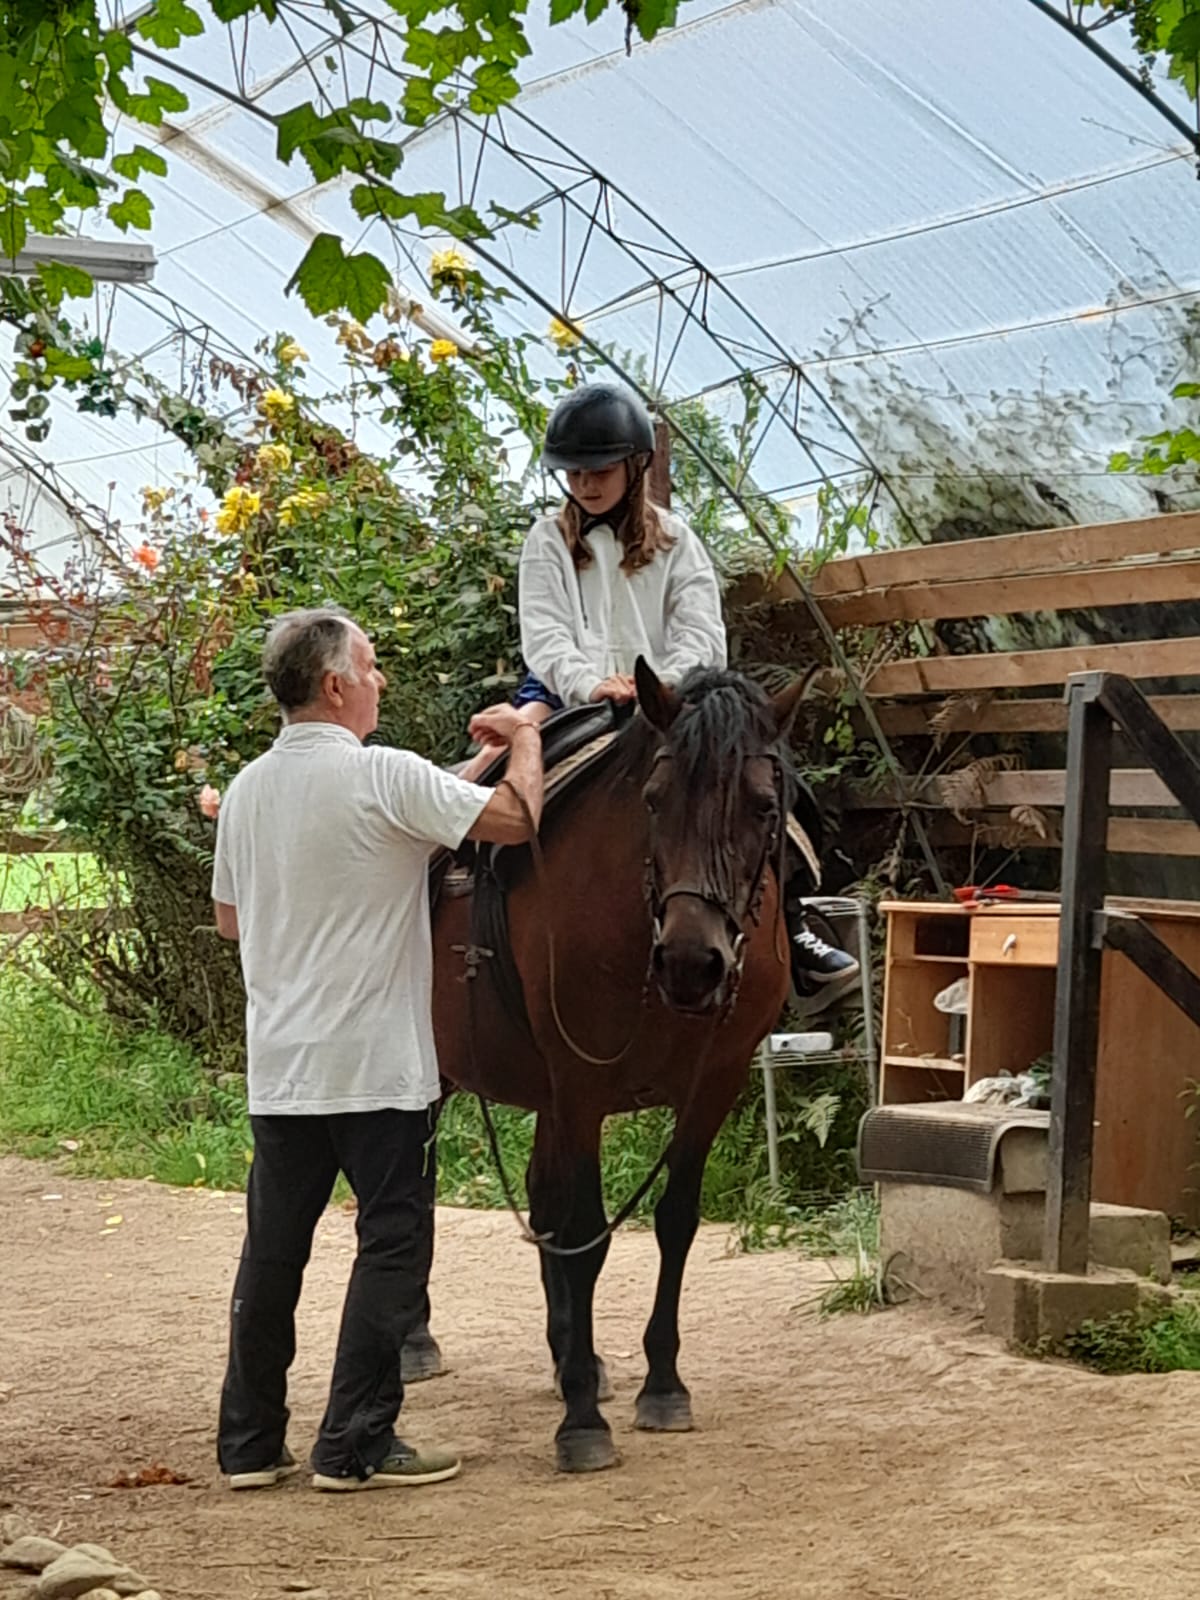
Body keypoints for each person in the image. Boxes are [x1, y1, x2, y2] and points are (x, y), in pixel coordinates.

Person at [211, 605, 544, 1493]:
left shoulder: (246, 792)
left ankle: (249, 1445)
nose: (379, 678)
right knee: (391, 1246)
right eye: (369, 665)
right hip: (377, 1068)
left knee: (273, 1252)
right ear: (335, 685)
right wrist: (523, 738)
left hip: (282, 1067)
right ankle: (354, 1443)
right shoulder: (384, 775)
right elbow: (516, 818)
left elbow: (232, 921)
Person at [461, 380, 857, 995]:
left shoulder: (677, 541)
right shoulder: (547, 541)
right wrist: (594, 684)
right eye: (574, 473)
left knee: (774, 785)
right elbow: (545, 635)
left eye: (599, 470)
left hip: (670, 704)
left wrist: (660, 689)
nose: (585, 484)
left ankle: (796, 919)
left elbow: (702, 636)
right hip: (569, 696)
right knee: (479, 779)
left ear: (636, 465)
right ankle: (469, 925)